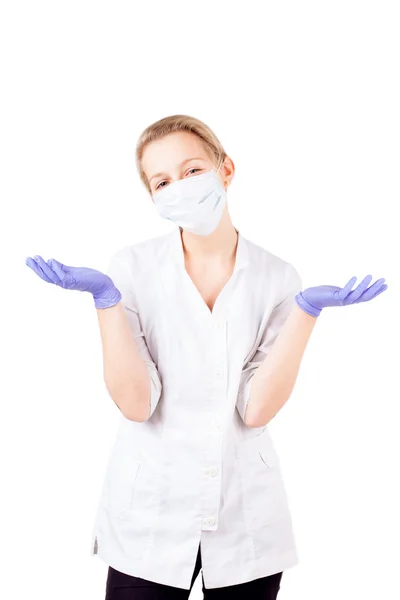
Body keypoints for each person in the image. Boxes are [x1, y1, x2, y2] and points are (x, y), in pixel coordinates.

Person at [25, 114, 388, 599]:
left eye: (192, 170)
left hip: (245, 518)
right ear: (153, 198)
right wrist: (107, 302)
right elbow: (137, 405)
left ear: (226, 168)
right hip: (149, 516)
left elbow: (255, 410)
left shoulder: (277, 277)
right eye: (162, 181)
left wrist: (305, 314)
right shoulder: (131, 268)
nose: (179, 187)